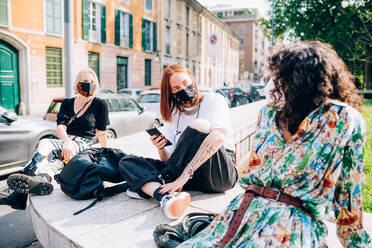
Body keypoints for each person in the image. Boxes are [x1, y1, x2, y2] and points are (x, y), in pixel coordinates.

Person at [178, 41, 372, 247]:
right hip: (241, 214)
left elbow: (350, 191)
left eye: (280, 77)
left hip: (291, 227)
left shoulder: (341, 118)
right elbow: (252, 171)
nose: (273, 83)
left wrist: (356, 243)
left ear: (303, 80)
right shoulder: (268, 114)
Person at [119, 64, 238, 219]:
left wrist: (183, 176)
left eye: (185, 83)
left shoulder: (215, 100)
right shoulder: (173, 112)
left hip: (219, 174)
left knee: (201, 125)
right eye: (175, 88)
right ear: (171, 93)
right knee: (126, 161)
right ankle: (163, 197)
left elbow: (219, 137)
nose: (183, 88)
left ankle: (154, 182)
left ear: (192, 79)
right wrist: (161, 149)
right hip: (186, 174)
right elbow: (169, 158)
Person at [0, 69, 110, 210]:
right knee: (51, 155)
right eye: (86, 81)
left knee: (50, 148)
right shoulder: (67, 103)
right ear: (77, 84)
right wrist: (67, 142)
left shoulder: (100, 104)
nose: (90, 84)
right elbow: (61, 127)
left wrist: (106, 153)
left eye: (93, 82)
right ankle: (42, 180)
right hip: (66, 141)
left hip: (83, 144)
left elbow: (101, 132)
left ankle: (18, 195)